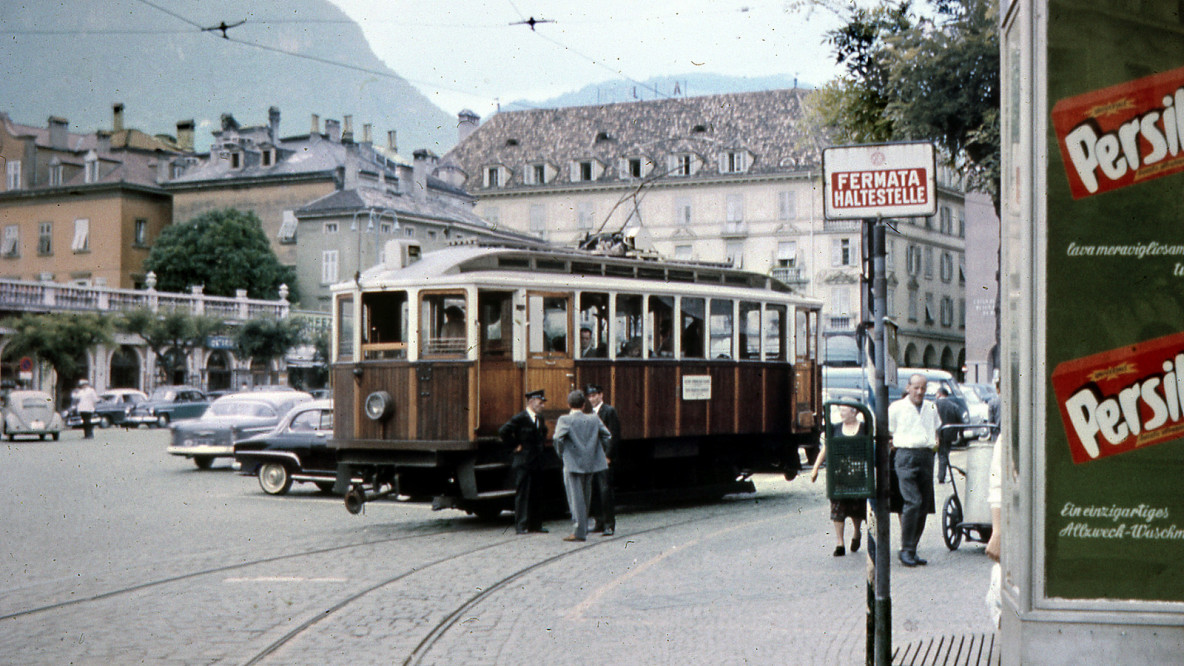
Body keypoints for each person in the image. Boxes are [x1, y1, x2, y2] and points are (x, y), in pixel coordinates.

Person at [888, 373, 941, 567]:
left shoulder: (931, 407)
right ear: (908, 387)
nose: (919, 392)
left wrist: (935, 442)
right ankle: (906, 550)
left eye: (923, 389)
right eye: (916, 388)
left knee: (924, 504)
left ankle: (912, 548)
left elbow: (936, 430)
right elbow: (889, 431)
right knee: (913, 501)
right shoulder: (896, 408)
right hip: (906, 456)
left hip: (926, 456)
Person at [552, 389, 611, 542]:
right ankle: (583, 528)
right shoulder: (593, 419)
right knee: (586, 496)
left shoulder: (565, 420)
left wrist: (562, 454)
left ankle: (579, 531)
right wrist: (597, 452)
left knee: (575, 498)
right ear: (584, 405)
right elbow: (607, 436)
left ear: (568, 404)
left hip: (573, 464)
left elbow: (558, 439)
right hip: (591, 463)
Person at [810, 404, 868, 556]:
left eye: (844, 410)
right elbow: (826, 448)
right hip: (838, 475)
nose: (841, 413)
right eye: (840, 410)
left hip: (857, 474)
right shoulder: (835, 428)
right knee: (837, 508)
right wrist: (815, 468)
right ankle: (840, 543)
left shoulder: (863, 428)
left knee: (857, 507)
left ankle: (856, 533)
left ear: (854, 412)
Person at [498, 389, 550, 535]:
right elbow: (503, 431)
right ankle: (521, 525)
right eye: (540, 403)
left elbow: (543, 434)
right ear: (531, 402)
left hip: (537, 461)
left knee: (537, 493)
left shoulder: (540, 418)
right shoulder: (520, 418)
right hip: (524, 462)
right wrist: (515, 445)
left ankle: (536, 524)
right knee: (523, 494)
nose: (543, 406)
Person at [585, 384, 621, 536]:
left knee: (605, 490)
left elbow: (614, 435)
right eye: (590, 396)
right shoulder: (588, 412)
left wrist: (608, 455)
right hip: (592, 457)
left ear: (601, 395)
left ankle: (609, 524)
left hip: (604, 457)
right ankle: (599, 521)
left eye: (594, 395)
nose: (592, 398)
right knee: (594, 491)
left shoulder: (609, 411)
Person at [934, 387, 964, 484]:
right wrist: (960, 433)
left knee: (935, 455)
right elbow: (960, 420)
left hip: (935, 434)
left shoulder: (934, 405)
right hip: (948, 435)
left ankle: (937, 476)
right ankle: (941, 476)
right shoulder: (953, 406)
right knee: (944, 455)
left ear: (939, 394)